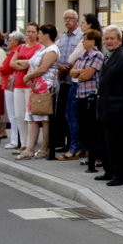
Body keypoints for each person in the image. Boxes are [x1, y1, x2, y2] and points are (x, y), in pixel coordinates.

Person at [94, 26, 123, 186]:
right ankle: (109, 171)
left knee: (118, 143)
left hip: (117, 107)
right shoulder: (108, 56)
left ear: (119, 40)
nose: (109, 41)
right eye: (106, 39)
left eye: (112, 38)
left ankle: (121, 175)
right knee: (106, 142)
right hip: (105, 106)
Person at [17, 25, 60, 160]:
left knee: (44, 118)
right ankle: (29, 148)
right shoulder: (42, 49)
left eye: (40, 33)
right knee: (32, 117)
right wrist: (28, 75)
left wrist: (28, 76)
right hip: (36, 86)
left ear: (47, 35)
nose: (38, 36)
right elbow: (32, 64)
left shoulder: (52, 50)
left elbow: (43, 68)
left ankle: (44, 148)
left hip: (46, 87)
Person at [69, 29, 104, 173]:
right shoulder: (83, 55)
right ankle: (90, 154)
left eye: (85, 39)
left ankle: (98, 157)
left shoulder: (97, 55)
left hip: (91, 96)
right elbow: (72, 72)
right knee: (84, 126)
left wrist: (79, 73)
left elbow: (87, 75)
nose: (83, 42)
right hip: (80, 94)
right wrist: (79, 73)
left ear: (93, 41)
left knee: (93, 128)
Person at [9, 23, 42, 155]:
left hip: (30, 84)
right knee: (19, 115)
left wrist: (23, 63)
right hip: (18, 83)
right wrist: (22, 64)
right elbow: (12, 63)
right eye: (28, 31)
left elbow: (33, 63)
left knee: (30, 115)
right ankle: (22, 143)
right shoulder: (21, 47)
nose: (30, 34)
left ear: (37, 33)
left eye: (33, 31)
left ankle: (30, 144)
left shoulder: (39, 48)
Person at [54, 9, 83, 153]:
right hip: (63, 80)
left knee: (72, 114)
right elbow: (57, 56)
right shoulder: (62, 37)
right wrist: (59, 66)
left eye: (70, 18)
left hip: (74, 81)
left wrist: (69, 67)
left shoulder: (81, 36)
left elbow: (80, 55)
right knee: (62, 113)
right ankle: (66, 141)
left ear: (76, 20)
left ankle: (74, 143)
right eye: (65, 18)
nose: (67, 21)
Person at [0, 31, 25, 148]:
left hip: (11, 84)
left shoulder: (15, 51)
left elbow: (5, 68)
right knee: (14, 113)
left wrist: (1, 70)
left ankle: (15, 140)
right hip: (11, 83)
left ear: (15, 42)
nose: (8, 42)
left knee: (13, 113)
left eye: (10, 40)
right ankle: (16, 139)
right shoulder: (17, 50)